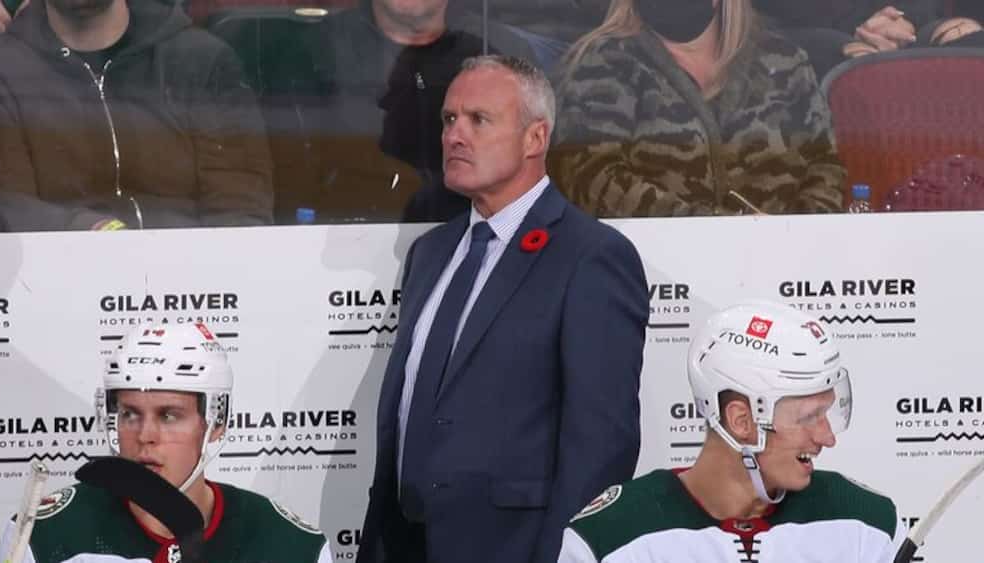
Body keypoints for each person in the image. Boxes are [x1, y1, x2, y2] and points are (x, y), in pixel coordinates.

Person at [357, 55, 649, 563]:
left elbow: (602, 444)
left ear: (535, 138)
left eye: (479, 120)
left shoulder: (591, 257)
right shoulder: (431, 254)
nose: (454, 135)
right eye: (449, 119)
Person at [559, 301, 907, 562]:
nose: (827, 437)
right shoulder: (609, 538)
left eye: (827, 412)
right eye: (808, 417)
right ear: (741, 420)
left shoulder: (868, 523)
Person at [0, 323, 332, 563]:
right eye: (130, 414)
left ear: (216, 423)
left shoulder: (291, 544)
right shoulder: (45, 534)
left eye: (169, 416)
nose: (146, 435)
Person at [0, 0, 273, 231]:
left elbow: (241, 208)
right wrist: (96, 234)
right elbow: (10, 207)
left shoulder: (202, 60)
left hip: (192, 274)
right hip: (60, 274)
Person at [552, 0, 846, 217]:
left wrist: (793, 236)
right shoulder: (603, 62)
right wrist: (712, 227)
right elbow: (590, 178)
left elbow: (826, 166)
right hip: (655, 266)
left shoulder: (785, 64)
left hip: (779, 265)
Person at [265, 0, 535, 224]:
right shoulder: (312, 52)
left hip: (478, 244)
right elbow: (290, 184)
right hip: (341, 244)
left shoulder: (502, 53)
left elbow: (528, 185)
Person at [754, 1, 984, 78]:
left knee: (964, 34)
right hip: (787, 34)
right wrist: (859, 34)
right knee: (858, 63)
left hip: (898, 23)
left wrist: (905, 20)